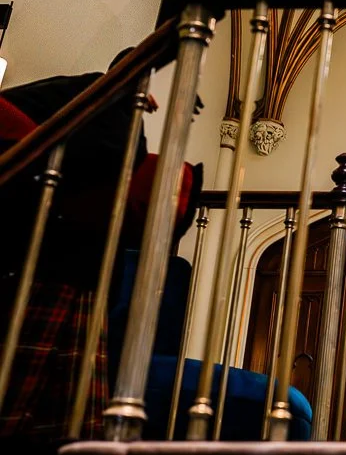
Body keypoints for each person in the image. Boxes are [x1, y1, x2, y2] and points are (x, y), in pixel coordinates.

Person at [0, 50, 200, 451]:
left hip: (74, 270)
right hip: (50, 268)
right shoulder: (103, 100)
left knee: (65, 416)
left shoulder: (115, 110)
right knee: (32, 409)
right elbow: (102, 168)